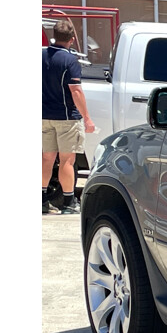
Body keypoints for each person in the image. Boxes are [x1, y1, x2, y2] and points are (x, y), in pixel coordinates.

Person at [42, 20, 96, 214]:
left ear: (54, 36)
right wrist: (87, 119)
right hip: (66, 118)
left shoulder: (41, 56)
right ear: (72, 39)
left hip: (44, 116)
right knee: (67, 160)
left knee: (47, 158)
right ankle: (69, 203)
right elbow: (76, 91)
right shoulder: (69, 61)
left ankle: (41, 200)